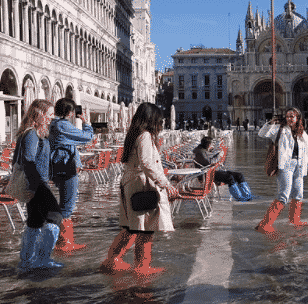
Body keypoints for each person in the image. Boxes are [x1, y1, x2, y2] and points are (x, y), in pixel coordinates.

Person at [101, 103, 178, 276]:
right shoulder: (144, 136)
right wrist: (165, 184)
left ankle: (113, 260)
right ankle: (141, 267)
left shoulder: (135, 134)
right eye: (159, 119)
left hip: (132, 182)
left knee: (133, 228)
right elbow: (147, 163)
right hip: (140, 184)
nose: (161, 122)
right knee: (144, 228)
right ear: (152, 119)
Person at [255, 107, 308, 233]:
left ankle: (295, 221)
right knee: (284, 194)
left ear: (298, 118)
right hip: (285, 165)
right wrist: (271, 122)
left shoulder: (301, 132)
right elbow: (262, 134)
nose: (290, 118)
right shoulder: (279, 129)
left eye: (292, 116)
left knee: (298, 193)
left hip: (299, 165)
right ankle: (265, 224)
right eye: (288, 116)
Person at [18, 99, 64, 271]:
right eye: (50, 114)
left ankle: (27, 260)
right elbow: (28, 161)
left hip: (38, 182)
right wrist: (32, 187)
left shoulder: (38, 133)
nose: (53, 117)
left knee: (35, 222)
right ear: (40, 114)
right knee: (55, 216)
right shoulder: (31, 134)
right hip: (36, 184)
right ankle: (42, 259)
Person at [48, 98, 94, 252]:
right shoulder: (63, 125)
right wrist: (86, 123)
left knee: (65, 203)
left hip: (58, 167)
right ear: (69, 112)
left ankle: (62, 240)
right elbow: (87, 137)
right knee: (68, 205)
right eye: (73, 110)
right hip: (67, 168)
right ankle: (65, 243)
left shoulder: (54, 124)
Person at [192, 135, 255, 201]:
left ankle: (247, 195)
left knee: (239, 175)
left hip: (212, 172)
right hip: (207, 175)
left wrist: (216, 155)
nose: (213, 146)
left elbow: (209, 160)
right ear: (209, 144)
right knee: (229, 177)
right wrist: (219, 156)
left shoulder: (202, 150)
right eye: (212, 144)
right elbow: (209, 162)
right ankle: (239, 197)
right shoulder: (200, 152)